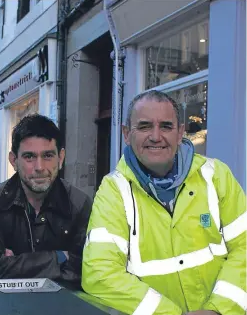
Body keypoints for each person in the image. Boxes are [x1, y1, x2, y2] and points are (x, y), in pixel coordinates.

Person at [82, 90, 246, 315]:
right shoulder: (114, 191)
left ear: (180, 134)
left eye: (166, 126)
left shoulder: (216, 176)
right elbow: (99, 274)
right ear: (127, 134)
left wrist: (217, 309)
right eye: (145, 126)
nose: (156, 136)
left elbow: (244, 248)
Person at [0, 114, 92, 288]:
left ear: (60, 158)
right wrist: (59, 257)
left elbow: (84, 270)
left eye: (47, 156)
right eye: (29, 157)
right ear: (14, 160)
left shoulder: (79, 203)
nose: (39, 167)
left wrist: (13, 264)